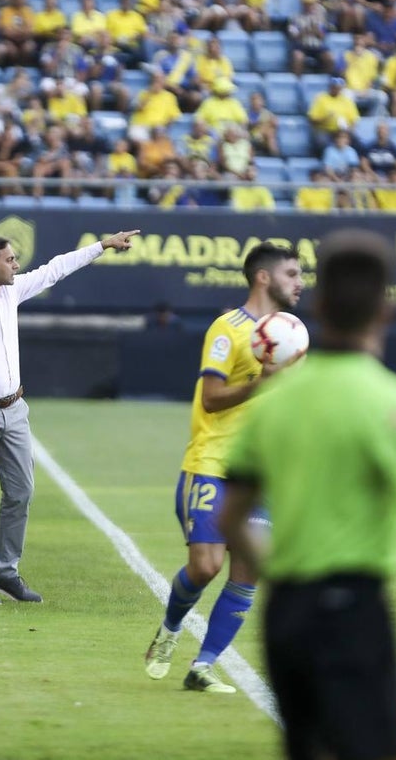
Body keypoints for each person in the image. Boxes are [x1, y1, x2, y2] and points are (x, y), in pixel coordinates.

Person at [218, 229, 396, 760]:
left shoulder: (275, 400)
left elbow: (232, 517)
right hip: (356, 611)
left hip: (287, 613)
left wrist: (277, 574)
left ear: (318, 310)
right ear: (387, 311)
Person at [0, 228, 140, 605]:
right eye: (10, 259)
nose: (16, 265)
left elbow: (55, 269)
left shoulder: (10, 291)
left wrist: (102, 246)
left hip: (13, 410)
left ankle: (3, 570)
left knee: (22, 491)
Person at [143, 242, 304, 693]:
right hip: (213, 462)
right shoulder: (227, 329)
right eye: (292, 273)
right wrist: (260, 383)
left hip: (262, 472)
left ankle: (204, 667)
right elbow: (211, 399)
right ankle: (170, 629)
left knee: (248, 568)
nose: (301, 282)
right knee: (206, 565)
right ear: (264, 278)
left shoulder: (295, 334)